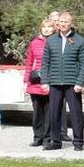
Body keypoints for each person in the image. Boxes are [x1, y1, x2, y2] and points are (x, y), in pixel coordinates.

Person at [42, 11, 84, 151]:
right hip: (55, 82)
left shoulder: (80, 40)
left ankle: (78, 141)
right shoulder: (51, 40)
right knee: (54, 113)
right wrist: (45, 81)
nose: (63, 24)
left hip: (72, 83)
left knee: (76, 113)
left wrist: (80, 82)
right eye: (61, 22)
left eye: (66, 22)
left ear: (71, 23)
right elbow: (45, 63)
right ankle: (55, 141)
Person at [24, 17, 53, 147]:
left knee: (49, 112)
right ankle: (38, 137)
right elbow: (29, 62)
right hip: (36, 81)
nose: (46, 29)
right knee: (37, 112)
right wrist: (26, 79)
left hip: (51, 81)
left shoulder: (56, 42)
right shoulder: (34, 43)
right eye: (44, 27)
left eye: (49, 26)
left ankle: (48, 138)